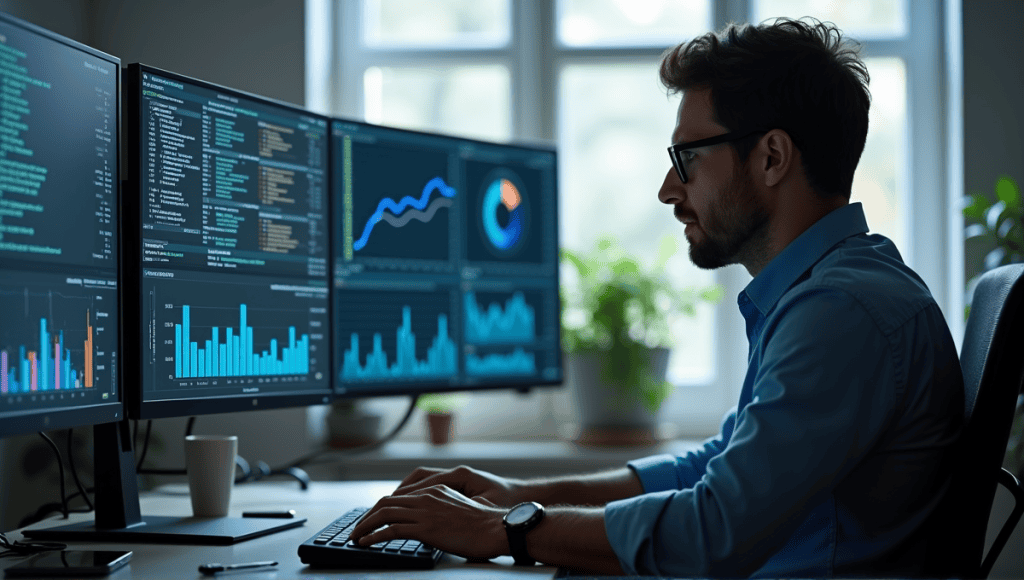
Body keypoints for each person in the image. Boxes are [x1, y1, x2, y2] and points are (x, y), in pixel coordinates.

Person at [350, 17, 965, 577]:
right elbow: (710, 472)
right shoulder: (828, 292)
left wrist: (499, 530)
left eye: (688, 158)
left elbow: (712, 531)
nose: (670, 189)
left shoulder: (840, 314)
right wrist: (514, 496)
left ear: (772, 156)